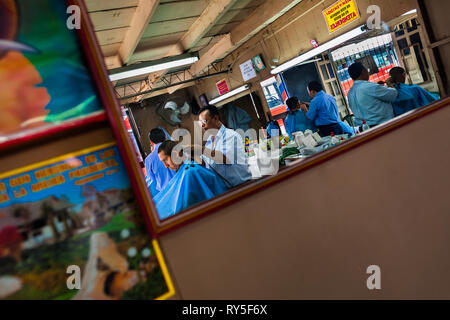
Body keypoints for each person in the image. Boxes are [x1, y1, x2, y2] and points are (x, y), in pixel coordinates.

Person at [154, 140, 228, 219]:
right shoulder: (186, 171)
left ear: (175, 155)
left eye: (165, 160)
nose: (165, 166)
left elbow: (185, 206)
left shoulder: (190, 172)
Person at [197, 105, 251, 188]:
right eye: (200, 123)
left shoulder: (230, 136)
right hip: (226, 189)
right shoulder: (209, 142)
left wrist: (201, 149)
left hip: (242, 186)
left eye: (205, 121)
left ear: (215, 118)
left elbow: (225, 158)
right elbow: (205, 162)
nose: (202, 126)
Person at [347, 62, 398, 128]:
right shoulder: (370, 87)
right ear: (363, 72)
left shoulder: (350, 93)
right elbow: (393, 94)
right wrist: (389, 84)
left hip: (363, 129)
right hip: (381, 126)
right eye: (367, 70)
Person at [144, 128, 175, 196]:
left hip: (165, 194)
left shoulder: (148, 160)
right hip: (182, 186)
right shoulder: (175, 149)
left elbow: (152, 179)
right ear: (165, 138)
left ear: (151, 142)